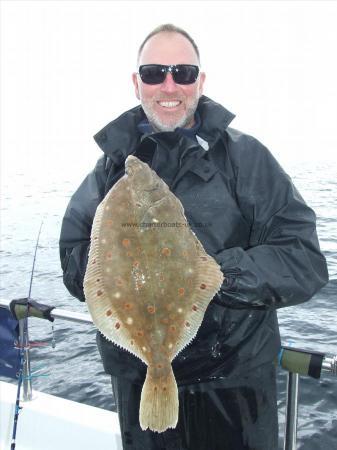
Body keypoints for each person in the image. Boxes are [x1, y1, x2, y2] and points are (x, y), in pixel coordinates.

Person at [59, 24, 329, 450]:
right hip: (138, 380)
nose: (169, 84)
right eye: (154, 72)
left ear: (200, 81)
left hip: (236, 390)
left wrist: (210, 276)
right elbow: (74, 261)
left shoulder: (247, 158)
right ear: (137, 84)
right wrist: (109, 263)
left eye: (183, 72)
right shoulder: (109, 170)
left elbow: (305, 262)